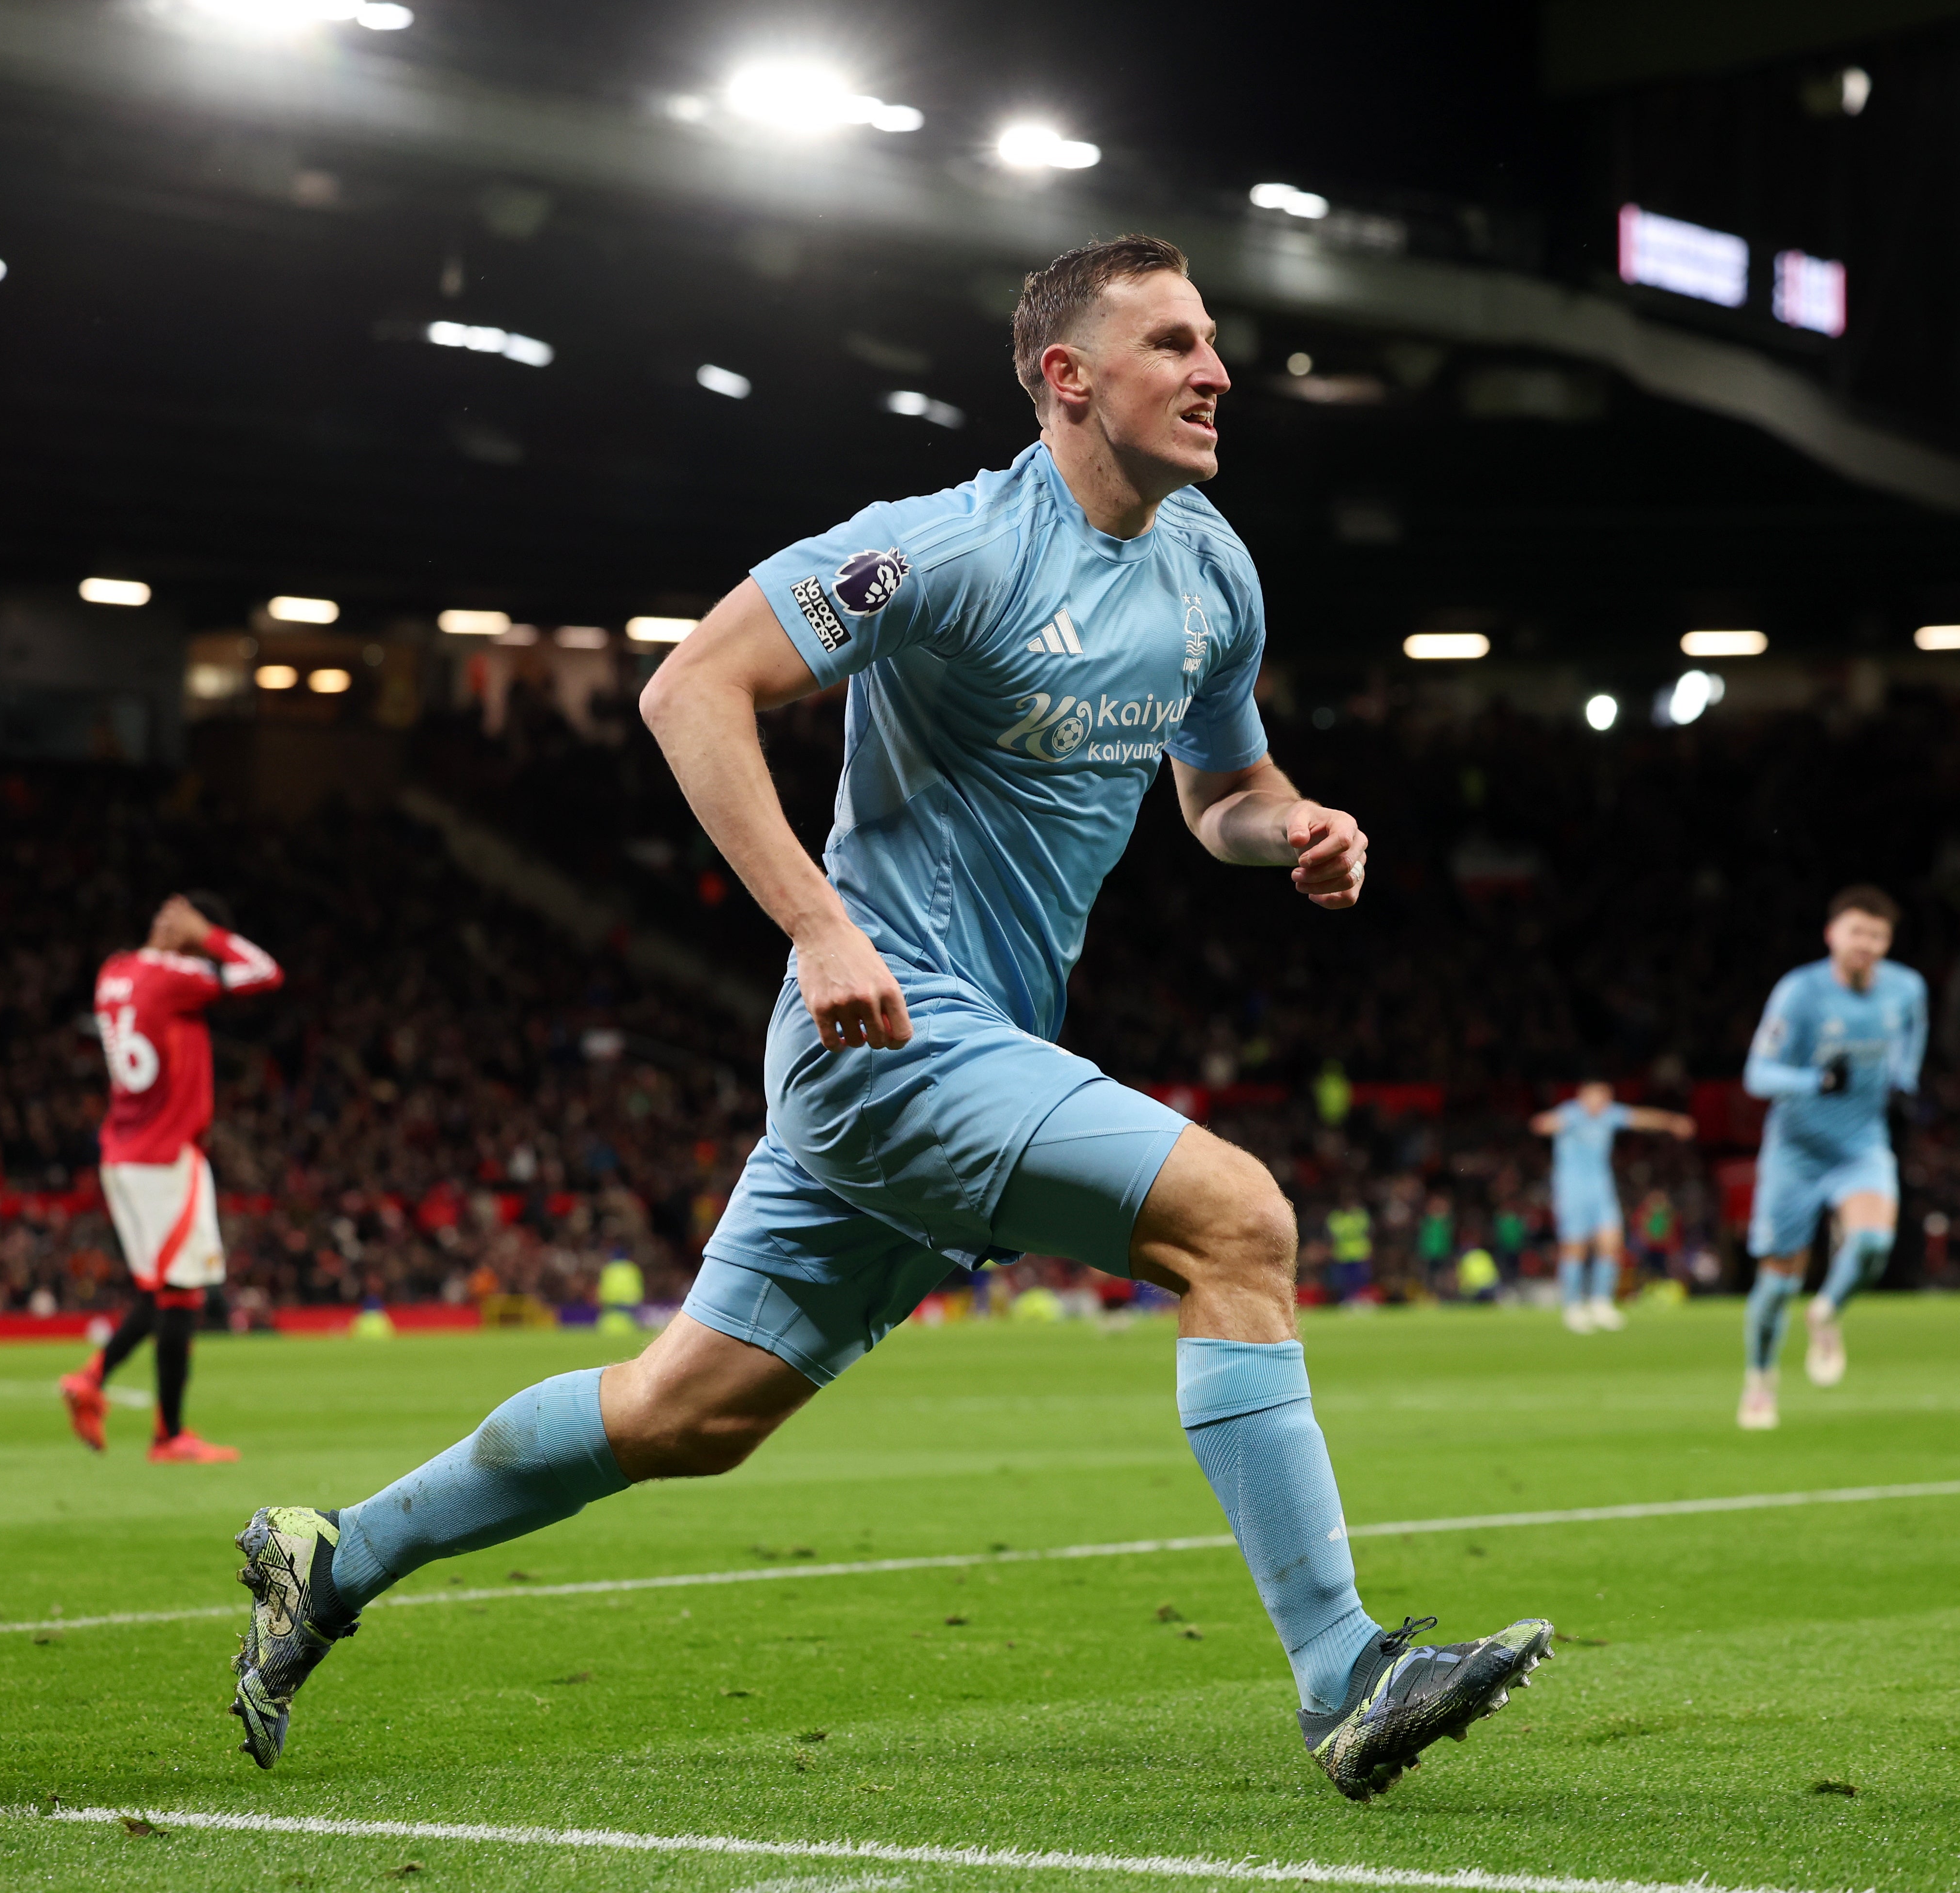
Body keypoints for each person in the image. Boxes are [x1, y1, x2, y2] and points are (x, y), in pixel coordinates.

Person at [224, 234, 1550, 1798]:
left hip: (965, 1057)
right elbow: (689, 688)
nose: (1216, 372)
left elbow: (1223, 794)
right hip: (891, 1038)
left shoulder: (1210, 567)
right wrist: (815, 921)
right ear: (1067, 377)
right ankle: (1347, 1675)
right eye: (1178, 344)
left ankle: (337, 1553)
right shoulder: (948, 550)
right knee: (1239, 1221)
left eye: (1213, 344)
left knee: (685, 1412)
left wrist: (1299, 828)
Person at [59, 892, 280, 1463]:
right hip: (165, 1154)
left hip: (124, 1150)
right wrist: (210, 936)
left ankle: (95, 1379)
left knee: (165, 1291)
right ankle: (168, 1434)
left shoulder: (116, 971)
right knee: (183, 1292)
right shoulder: (176, 975)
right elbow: (264, 973)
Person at [1735, 887, 1926, 1428]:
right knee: (1776, 1285)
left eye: (1878, 935)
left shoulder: (1906, 988)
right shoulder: (1800, 993)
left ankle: (1826, 1312)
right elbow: (1757, 1075)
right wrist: (1815, 1080)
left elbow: (1916, 1027)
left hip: (1861, 1146)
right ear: (1832, 935)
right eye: (1857, 931)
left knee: (1872, 1244)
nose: (1867, 943)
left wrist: (1905, 1075)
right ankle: (1760, 1381)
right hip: (1796, 1153)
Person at [1530, 1080, 1693, 1332]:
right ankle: (1573, 1307)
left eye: (1605, 1099)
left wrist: (1672, 1122)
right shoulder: (1572, 1114)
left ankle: (1601, 1302)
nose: (1601, 1104)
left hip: (1601, 1191)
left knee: (1611, 1243)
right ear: (1583, 1097)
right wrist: (1551, 1123)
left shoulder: (1608, 1116)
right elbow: (1541, 1123)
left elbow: (1641, 1117)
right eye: (1597, 1098)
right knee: (1575, 1249)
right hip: (1573, 1193)